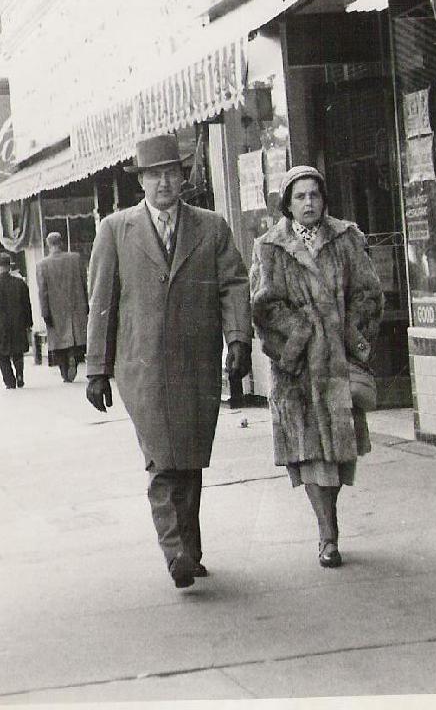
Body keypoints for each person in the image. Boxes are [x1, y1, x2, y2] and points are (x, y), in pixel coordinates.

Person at [86, 133, 252, 588]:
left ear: (184, 176)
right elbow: (101, 301)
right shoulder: (115, 230)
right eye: (154, 174)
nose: (164, 182)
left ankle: (190, 550)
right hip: (142, 367)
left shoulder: (211, 227)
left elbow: (233, 284)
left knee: (191, 459)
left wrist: (237, 339)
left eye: (171, 173)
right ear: (141, 180)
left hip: (196, 363)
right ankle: (175, 551)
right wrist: (97, 368)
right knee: (162, 461)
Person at [250, 165, 384, 568]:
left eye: (314, 195)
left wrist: (352, 336)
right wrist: (299, 336)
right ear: (287, 204)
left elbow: (369, 292)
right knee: (310, 456)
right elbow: (263, 305)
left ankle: (331, 524)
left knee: (339, 457)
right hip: (298, 373)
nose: (309, 203)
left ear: (324, 199)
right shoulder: (270, 247)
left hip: (338, 367)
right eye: (300, 197)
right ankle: (327, 534)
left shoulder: (345, 238)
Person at [36, 232, 88, 382]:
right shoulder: (75, 258)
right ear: (61, 243)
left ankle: (65, 371)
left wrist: (45, 312)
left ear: (48, 244)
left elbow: (42, 291)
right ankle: (74, 358)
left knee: (58, 342)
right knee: (75, 339)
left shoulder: (42, 265)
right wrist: (85, 304)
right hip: (75, 306)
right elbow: (84, 283)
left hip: (55, 309)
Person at [0, 252, 33, 389]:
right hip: (17, 324)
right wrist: (28, 323)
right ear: (9, 267)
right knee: (18, 352)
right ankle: (20, 375)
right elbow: (27, 305)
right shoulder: (20, 284)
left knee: (2, 355)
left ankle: (9, 380)